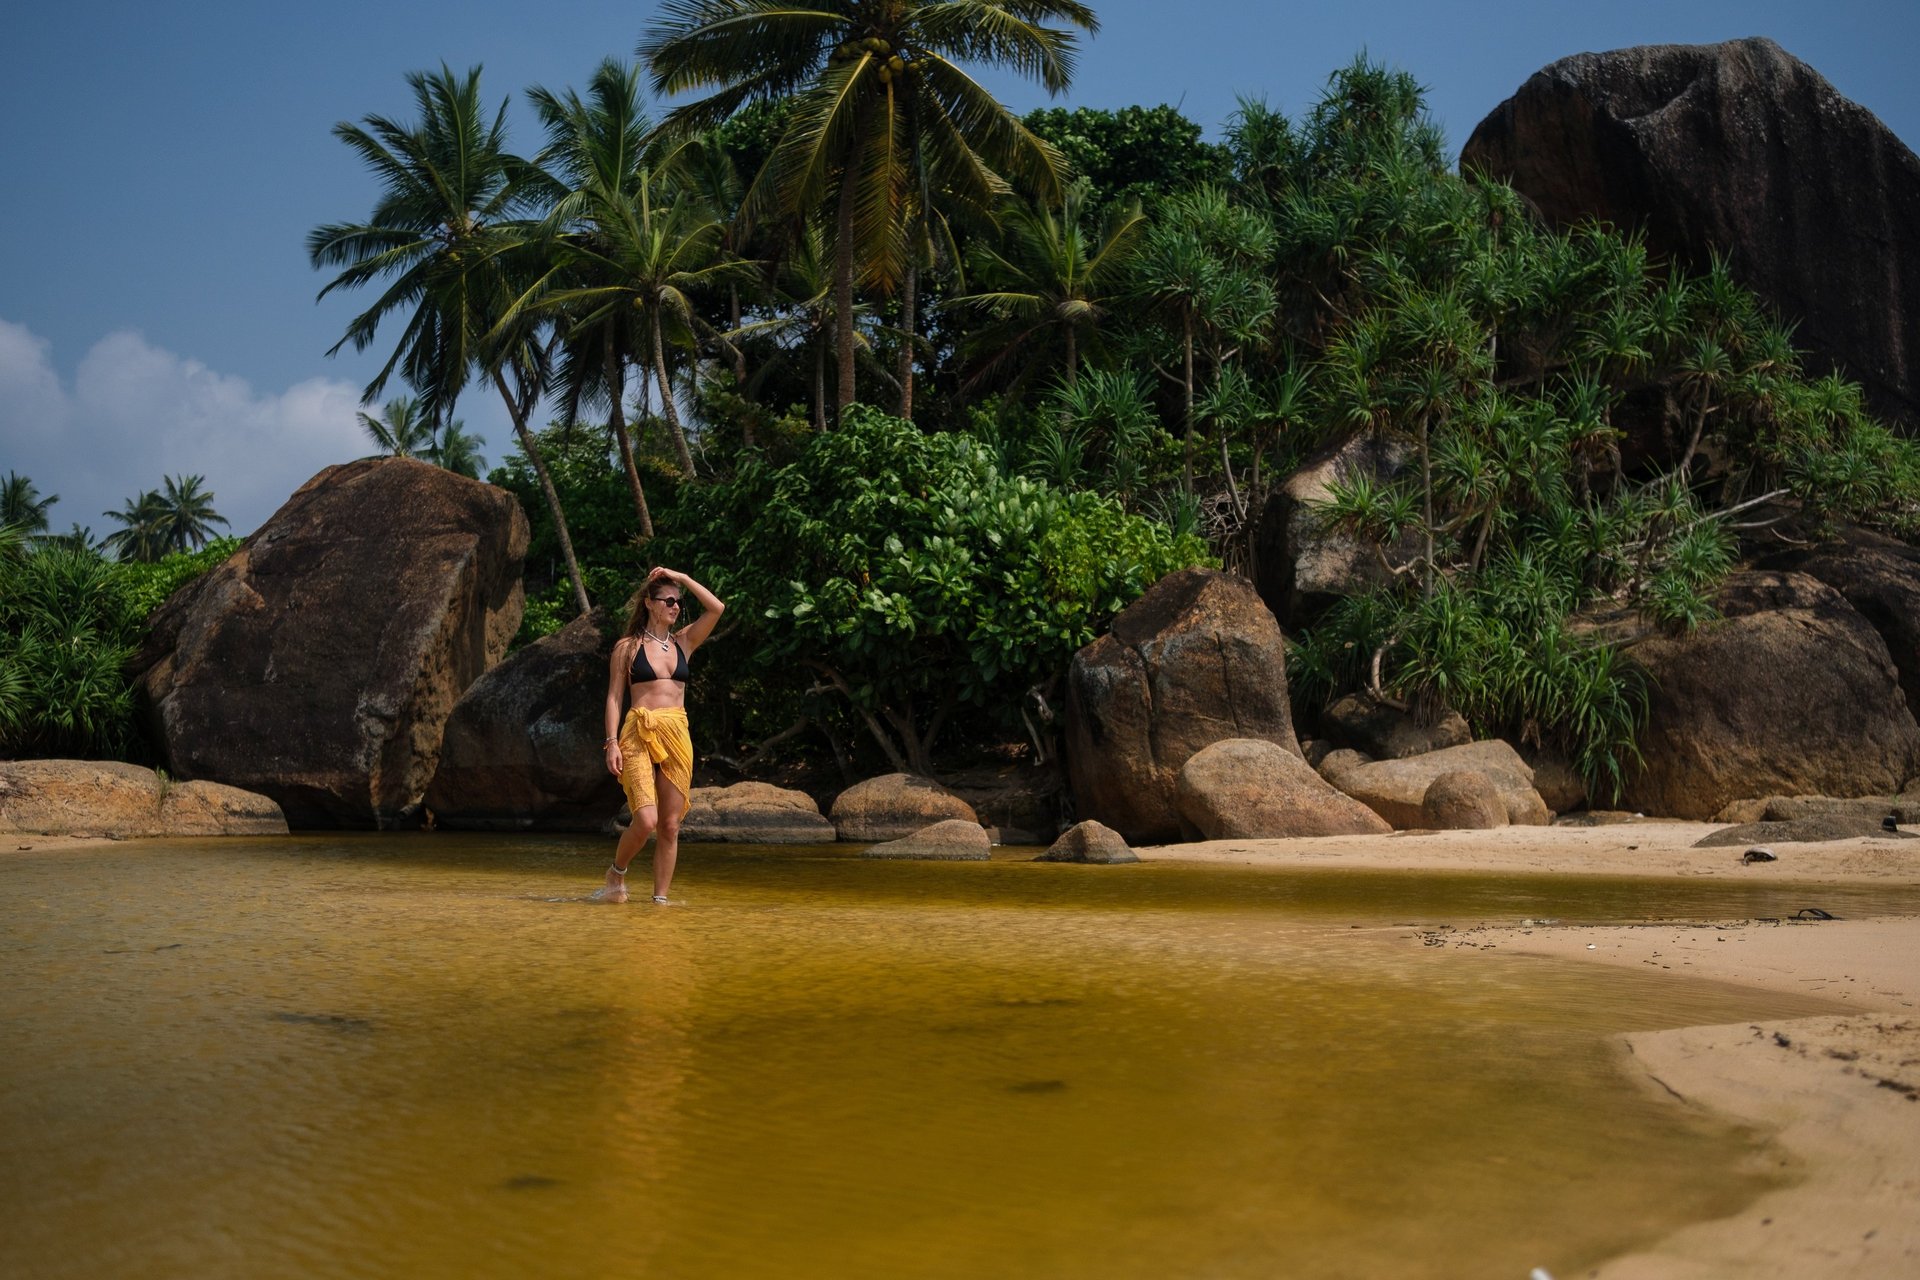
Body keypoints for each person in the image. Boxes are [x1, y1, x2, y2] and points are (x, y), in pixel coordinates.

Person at [597, 567, 724, 904]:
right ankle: (617, 871)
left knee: (669, 825)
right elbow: (613, 697)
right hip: (638, 730)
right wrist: (611, 743)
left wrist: (680, 578)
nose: (675, 606)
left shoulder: (684, 641)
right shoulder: (627, 647)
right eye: (668, 600)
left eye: (678, 601)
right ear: (650, 604)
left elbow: (717, 608)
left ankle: (660, 904)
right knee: (647, 819)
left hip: (676, 732)